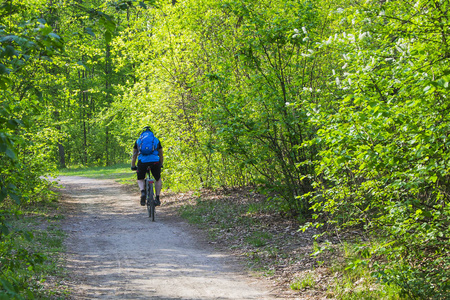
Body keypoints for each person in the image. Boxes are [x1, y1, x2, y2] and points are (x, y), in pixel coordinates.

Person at [131, 126, 163, 206]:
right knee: (158, 179)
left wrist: (133, 166)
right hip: (155, 162)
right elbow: (161, 154)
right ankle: (158, 198)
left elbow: (134, 155)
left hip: (142, 162)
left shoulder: (138, 141)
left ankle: (142, 192)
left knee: (140, 179)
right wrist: (161, 164)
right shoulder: (156, 140)